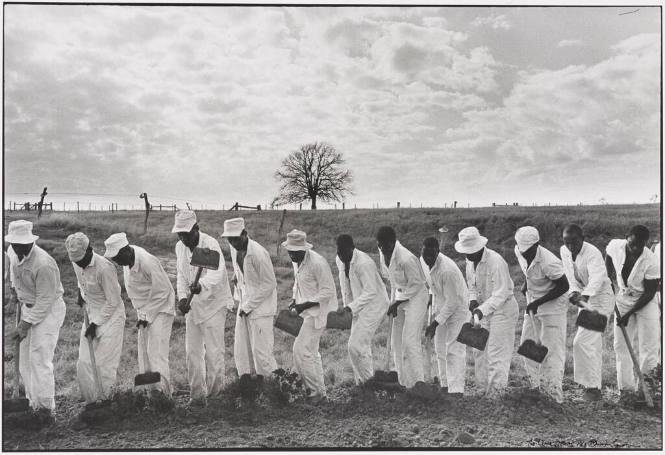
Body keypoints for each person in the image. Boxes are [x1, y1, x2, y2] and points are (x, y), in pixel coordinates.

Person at [6, 220, 66, 423]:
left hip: (48, 311)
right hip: (27, 306)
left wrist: (25, 324)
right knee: (24, 360)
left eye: (20, 244)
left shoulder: (44, 264)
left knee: (39, 358)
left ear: (30, 242)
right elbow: (13, 272)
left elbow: (45, 300)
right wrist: (14, 290)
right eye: (14, 244)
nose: (17, 248)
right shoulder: (12, 251)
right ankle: (33, 404)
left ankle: (46, 410)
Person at [104, 232, 175, 397]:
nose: (116, 262)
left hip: (161, 308)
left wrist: (147, 316)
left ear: (126, 250)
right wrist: (142, 316)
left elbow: (162, 291)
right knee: (144, 352)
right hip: (144, 310)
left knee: (156, 352)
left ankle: (163, 395)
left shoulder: (147, 262)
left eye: (117, 258)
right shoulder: (127, 259)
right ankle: (150, 392)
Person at [172, 210, 231, 406]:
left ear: (196, 228)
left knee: (214, 352)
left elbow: (218, 273)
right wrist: (181, 298)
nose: (183, 238)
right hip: (194, 306)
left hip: (214, 304)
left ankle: (216, 397)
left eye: (186, 234)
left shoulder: (210, 244)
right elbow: (181, 275)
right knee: (192, 352)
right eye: (180, 234)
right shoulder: (179, 248)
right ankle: (197, 396)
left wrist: (202, 285)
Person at [454, 226, 518, 395]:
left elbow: (501, 293)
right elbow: (472, 286)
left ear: (480, 246)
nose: (468, 255)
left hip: (503, 310)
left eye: (471, 251)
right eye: (466, 252)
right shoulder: (470, 261)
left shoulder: (496, 262)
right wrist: (473, 299)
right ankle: (482, 392)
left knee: (497, 354)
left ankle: (496, 395)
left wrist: (481, 310)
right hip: (483, 311)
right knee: (479, 352)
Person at [65, 232, 126, 405]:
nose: (78, 263)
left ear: (89, 250)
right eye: (74, 260)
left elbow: (114, 300)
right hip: (91, 312)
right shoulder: (77, 261)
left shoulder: (105, 268)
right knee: (84, 363)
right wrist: (79, 293)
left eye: (80, 260)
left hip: (111, 316)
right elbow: (80, 280)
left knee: (103, 365)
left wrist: (96, 323)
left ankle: (105, 402)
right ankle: (92, 403)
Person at [514, 226, 569, 403]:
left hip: (553, 307)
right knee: (527, 346)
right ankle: (536, 389)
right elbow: (528, 272)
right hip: (534, 302)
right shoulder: (520, 251)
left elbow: (564, 286)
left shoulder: (549, 262)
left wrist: (538, 303)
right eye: (522, 250)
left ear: (537, 245)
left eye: (528, 251)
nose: (524, 254)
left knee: (552, 351)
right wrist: (526, 284)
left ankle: (553, 397)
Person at [606, 225, 661, 399]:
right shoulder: (616, 245)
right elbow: (608, 254)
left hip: (645, 300)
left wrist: (629, 314)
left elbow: (650, 292)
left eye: (640, 245)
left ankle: (647, 391)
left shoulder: (652, 261)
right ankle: (626, 391)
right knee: (620, 345)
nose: (636, 249)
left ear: (646, 243)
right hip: (623, 298)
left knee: (649, 346)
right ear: (626, 238)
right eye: (632, 244)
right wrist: (609, 275)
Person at [282, 229, 337, 404]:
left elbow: (328, 291)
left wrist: (304, 305)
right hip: (305, 313)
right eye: (289, 251)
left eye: (294, 252)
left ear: (304, 249)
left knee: (300, 350)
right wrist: (294, 301)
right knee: (312, 354)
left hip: (317, 314)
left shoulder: (317, 263)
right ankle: (320, 393)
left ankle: (314, 394)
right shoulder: (297, 261)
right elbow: (298, 284)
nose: (291, 255)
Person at [560, 224, 614, 401]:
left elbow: (597, 279)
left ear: (582, 238)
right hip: (585, 299)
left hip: (600, 299)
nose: (571, 246)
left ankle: (592, 389)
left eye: (574, 242)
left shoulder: (592, 253)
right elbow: (569, 276)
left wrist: (584, 295)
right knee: (591, 344)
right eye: (567, 242)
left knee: (582, 342)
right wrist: (573, 292)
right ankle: (593, 388)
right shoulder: (564, 251)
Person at [221, 217, 278, 386]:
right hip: (245, 302)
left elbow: (270, 283)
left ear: (245, 234)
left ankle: (272, 386)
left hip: (261, 308)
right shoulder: (234, 249)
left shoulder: (259, 253)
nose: (233, 243)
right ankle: (248, 383)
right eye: (230, 240)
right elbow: (242, 270)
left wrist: (249, 306)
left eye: (236, 239)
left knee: (261, 351)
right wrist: (237, 276)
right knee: (242, 347)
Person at [376, 226, 428, 388]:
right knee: (395, 341)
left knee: (409, 341)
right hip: (399, 294)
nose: (384, 251)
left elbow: (417, 284)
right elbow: (391, 279)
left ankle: (419, 382)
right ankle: (402, 382)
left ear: (393, 242)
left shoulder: (406, 258)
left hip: (416, 297)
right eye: (381, 247)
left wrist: (397, 302)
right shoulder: (383, 252)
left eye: (386, 247)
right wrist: (394, 301)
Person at [335, 234, 389, 385]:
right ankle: (363, 383)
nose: (341, 256)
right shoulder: (340, 259)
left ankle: (368, 384)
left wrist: (350, 308)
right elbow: (345, 285)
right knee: (358, 346)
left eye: (344, 252)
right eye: (339, 252)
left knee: (356, 345)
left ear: (352, 248)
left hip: (375, 305)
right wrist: (347, 310)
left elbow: (371, 292)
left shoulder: (364, 263)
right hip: (358, 305)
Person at [420, 237, 468, 396]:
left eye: (430, 256)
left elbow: (453, 303)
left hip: (458, 309)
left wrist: (434, 324)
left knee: (454, 350)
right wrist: (430, 301)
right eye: (425, 254)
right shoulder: (424, 261)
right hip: (441, 306)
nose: (427, 259)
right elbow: (432, 285)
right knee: (440, 348)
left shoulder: (447, 271)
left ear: (437, 252)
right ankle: (445, 385)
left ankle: (456, 391)